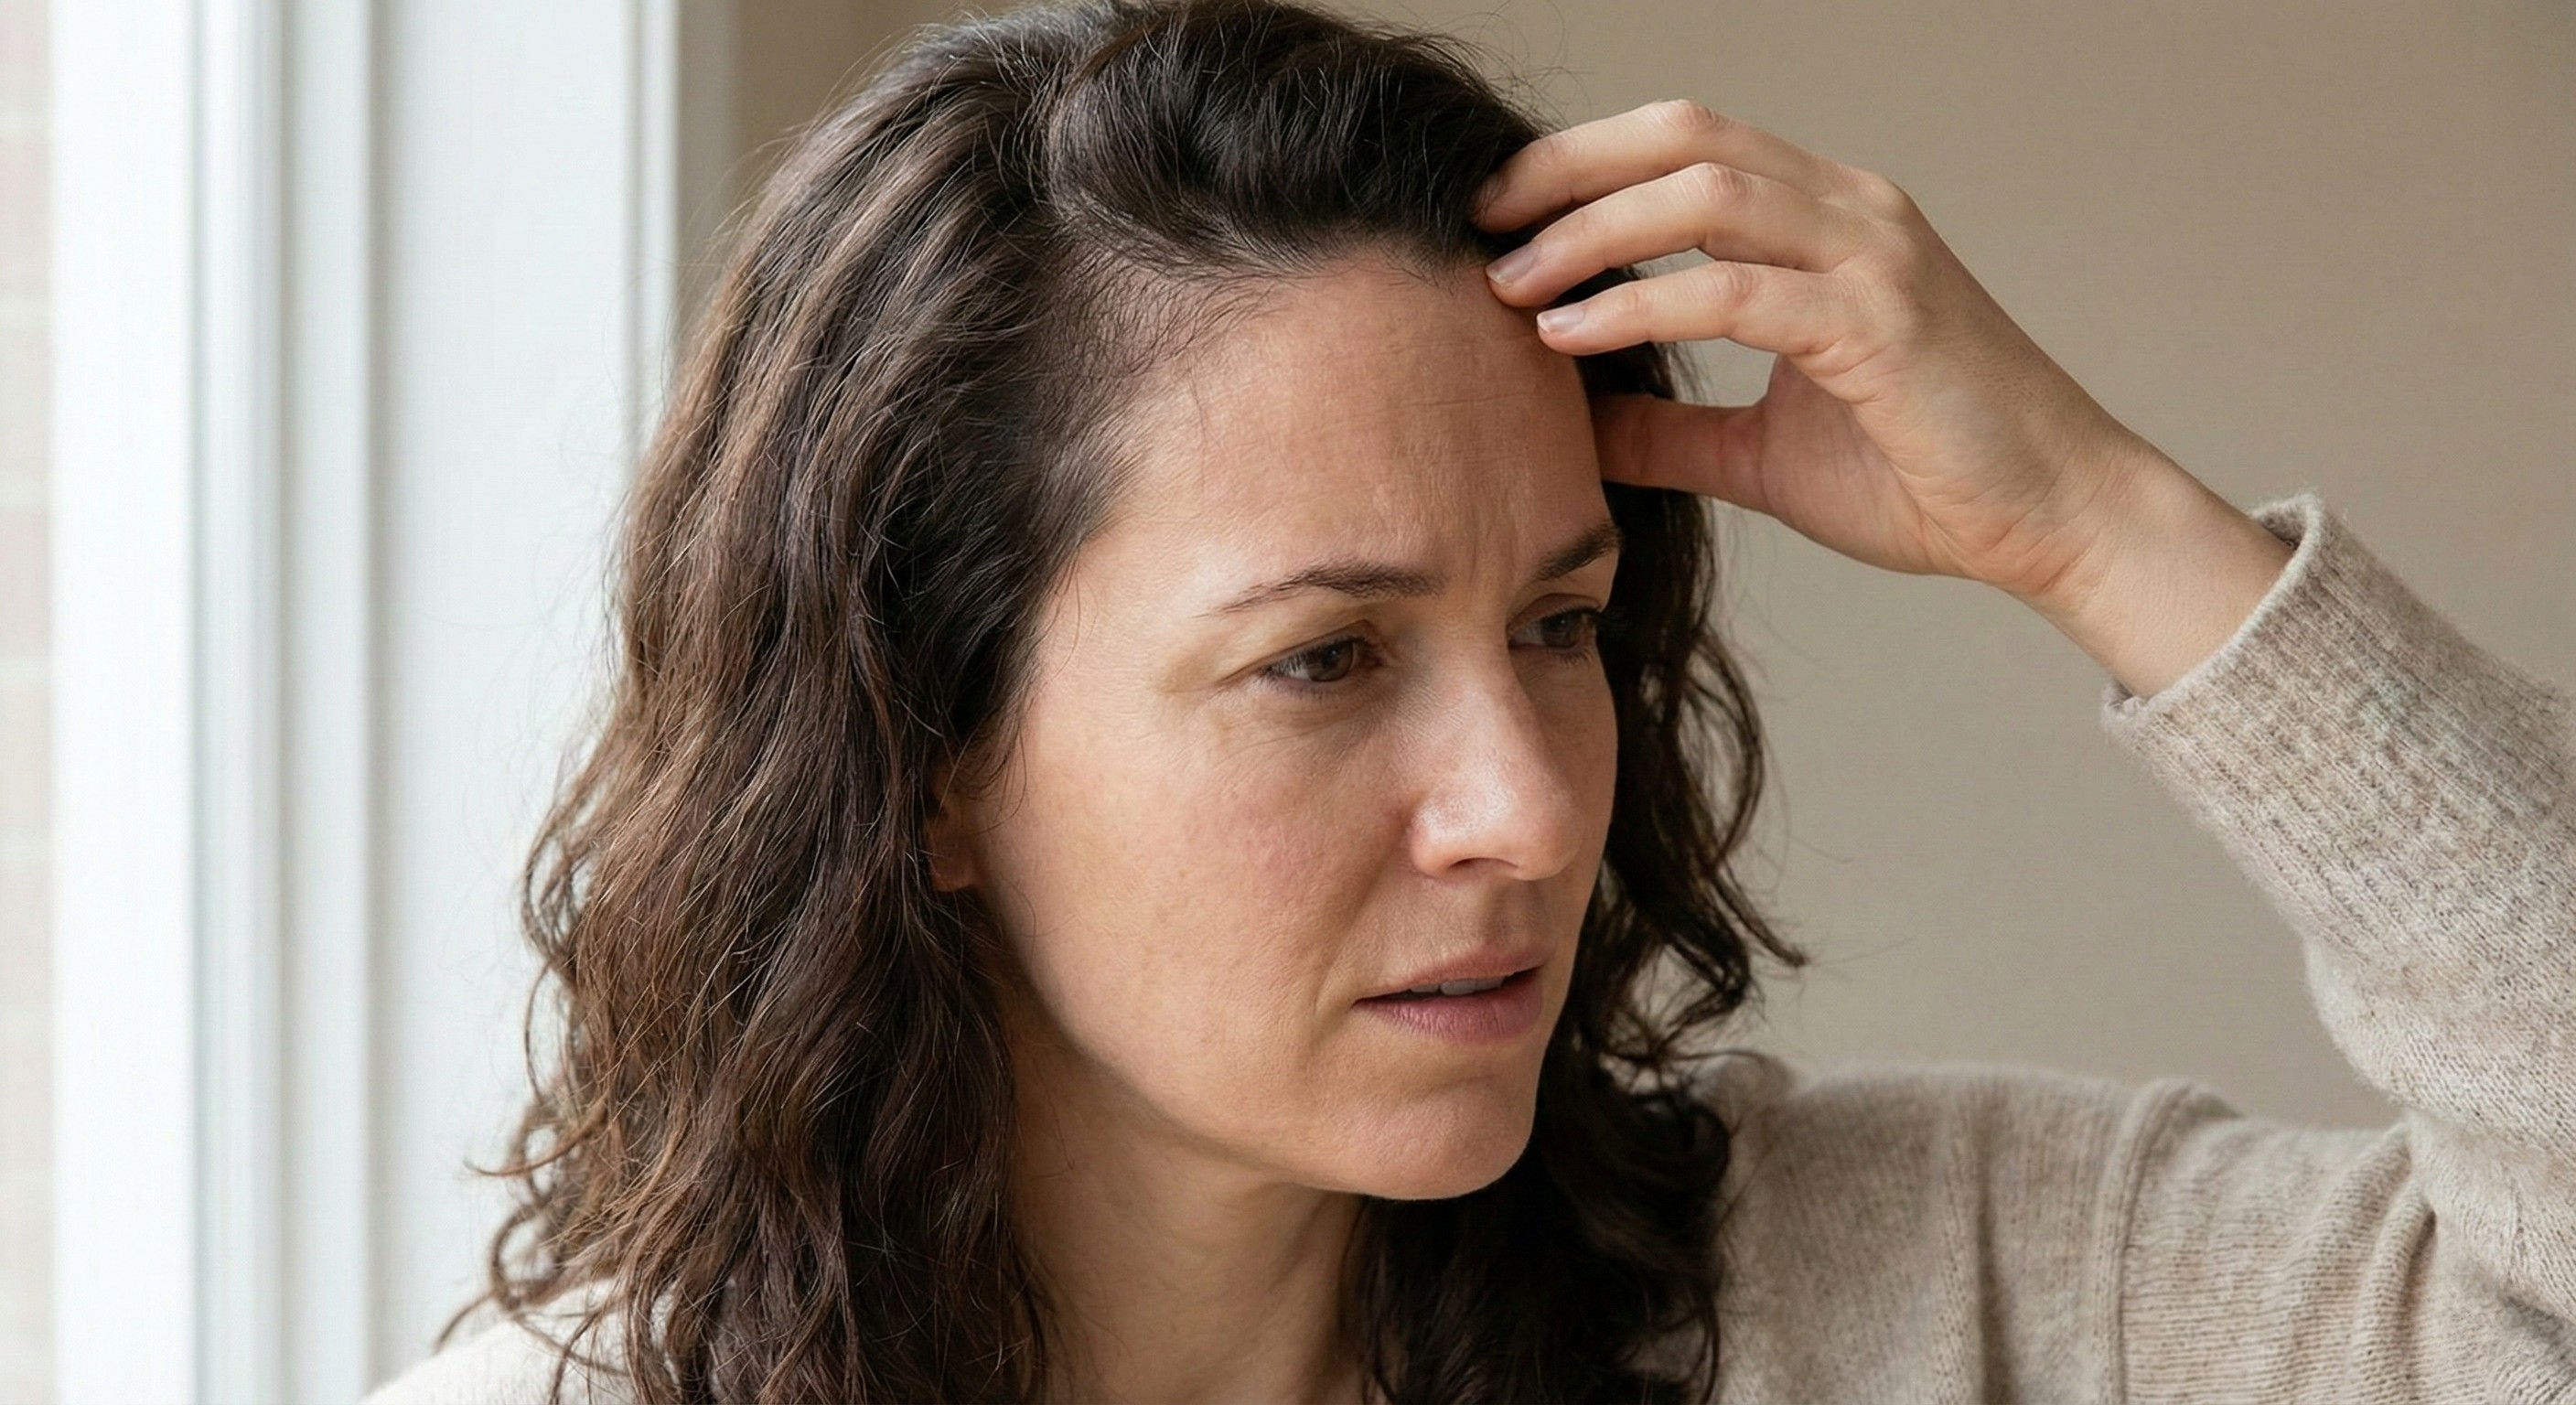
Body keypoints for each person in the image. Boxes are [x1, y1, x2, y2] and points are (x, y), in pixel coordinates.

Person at [365, 0, 2576, 1400]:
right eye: (1322, 660)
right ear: (926, 751)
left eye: (1556, 626)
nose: (1526, 807)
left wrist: (2107, 529)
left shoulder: (1933, 1295)